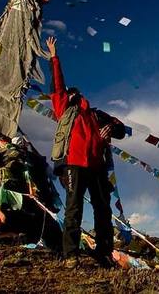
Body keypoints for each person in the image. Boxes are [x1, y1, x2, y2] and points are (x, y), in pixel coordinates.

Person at [45, 37, 125, 269]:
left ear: (80, 96)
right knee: (74, 207)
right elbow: (58, 85)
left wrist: (113, 128)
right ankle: (71, 254)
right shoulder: (65, 110)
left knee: (103, 209)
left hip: (97, 166)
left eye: (73, 93)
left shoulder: (97, 115)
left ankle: (104, 253)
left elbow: (120, 129)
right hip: (74, 164)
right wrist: (54, 56)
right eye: (68, 93)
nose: (70, 94)